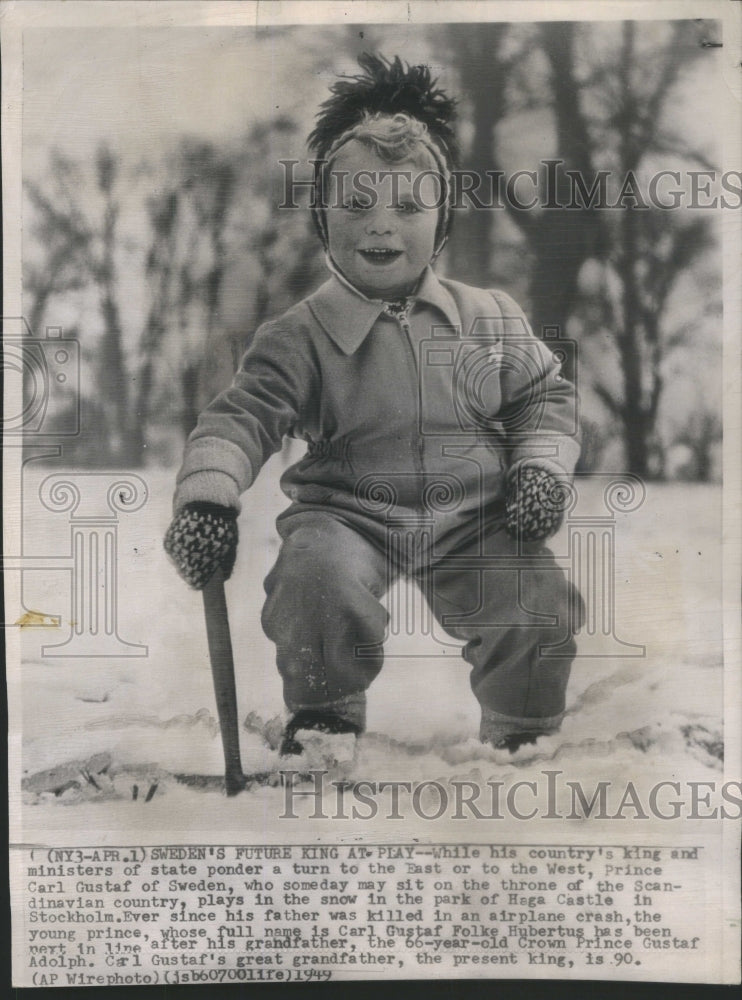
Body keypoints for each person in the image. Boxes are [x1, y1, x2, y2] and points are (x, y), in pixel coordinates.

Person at [164, 54, 584, 763]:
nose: (382, 226)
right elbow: (240, 418)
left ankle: (522, 734)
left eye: (410, 208)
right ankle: (325, 719)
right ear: (325, 222)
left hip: (475, 516)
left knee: (535, 603)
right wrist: (207, 499)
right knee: (313, 578)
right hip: (350, 515)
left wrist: (541, 470)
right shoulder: (299, 336)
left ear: (442, 222)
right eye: (356, 205)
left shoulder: (489, 317)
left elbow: (545, 397)